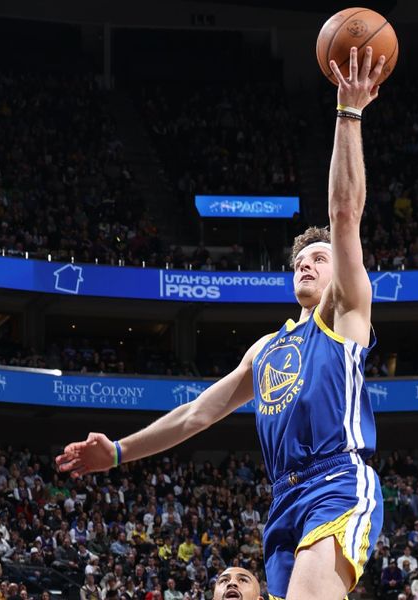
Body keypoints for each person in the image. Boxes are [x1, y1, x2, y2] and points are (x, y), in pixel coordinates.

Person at [56, 46, 387, 600]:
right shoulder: (265, 350)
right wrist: (117, 452)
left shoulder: (344, 313)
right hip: (283, 501)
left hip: (336, 482)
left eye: (319, 259)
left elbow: (344, 213)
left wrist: (348, 113)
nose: (306, 263)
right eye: (300, 261)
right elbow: (196, 415)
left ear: (340, 275)